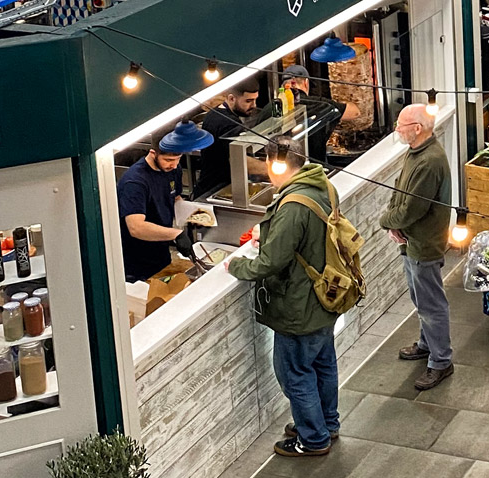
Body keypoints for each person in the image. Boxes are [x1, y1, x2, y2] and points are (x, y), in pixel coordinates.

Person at [226, 140, 341, 457]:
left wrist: (236, 265)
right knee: (323, 364)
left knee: (293, 372)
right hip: (325, 297)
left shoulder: (292, 207)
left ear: (277, 166)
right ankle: (326, 424)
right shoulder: (324, 187)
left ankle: (313, 438)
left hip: (299, 305)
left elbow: (270, 262)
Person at [386, 104, 456, 390]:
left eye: (401, 125)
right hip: (412, 240)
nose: (397, 129)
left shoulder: (428, 161)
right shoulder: (416, 152)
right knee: (421, 299)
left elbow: (413, 207)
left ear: (417, 128)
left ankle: (441, 362)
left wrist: (387, 221)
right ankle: (427, 344)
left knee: (431, 305)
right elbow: (399, 187)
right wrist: (395, 222)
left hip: (424, 243)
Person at [116, 123, 215, 282]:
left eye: (178, 159)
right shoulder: (135, 182)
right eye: (169, 160)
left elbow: (175, 198)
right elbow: (136, 227)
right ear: (153, 153)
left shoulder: (173, 169)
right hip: (137, 264)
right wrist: (176, 233)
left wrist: (191, 216)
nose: (174, 165)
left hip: (161, 254)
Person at [194, 80, 265, 200]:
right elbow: (241, 160)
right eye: (248, 101)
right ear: (231, 98)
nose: (254, 105)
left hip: (207, 188)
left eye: (255, 100)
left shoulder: (215, 112)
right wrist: (270, 170)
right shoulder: (229, 123)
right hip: (215, 191)